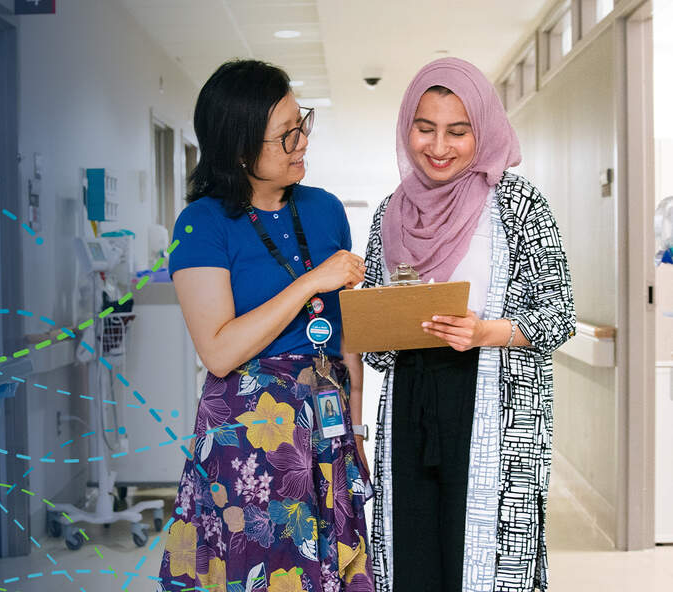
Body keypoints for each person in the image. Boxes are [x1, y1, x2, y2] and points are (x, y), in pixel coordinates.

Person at [158, 59, 373, 592]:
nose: (302, 142)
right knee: (258, 573)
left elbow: (344, 334)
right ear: (238, 149)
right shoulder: (201, 224)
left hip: (325, 418)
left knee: (334, 569)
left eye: (303, 125)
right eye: (286, 135)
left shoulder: (324, 210)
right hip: (248, 434)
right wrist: (308, 283)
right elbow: (219, 351)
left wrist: (356, 425)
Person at [361, 58, 575, 592]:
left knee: (488, 564)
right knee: (411, 552)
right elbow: (376, 345)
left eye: (458, 132)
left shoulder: (517, 204)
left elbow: (558, 314)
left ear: (483, 131)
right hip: (411, 404)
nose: (439, 147)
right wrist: (380, 321)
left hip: (497, 409)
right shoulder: (391, 212)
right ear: (406, 125)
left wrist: (484, 331)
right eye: (425, 128)